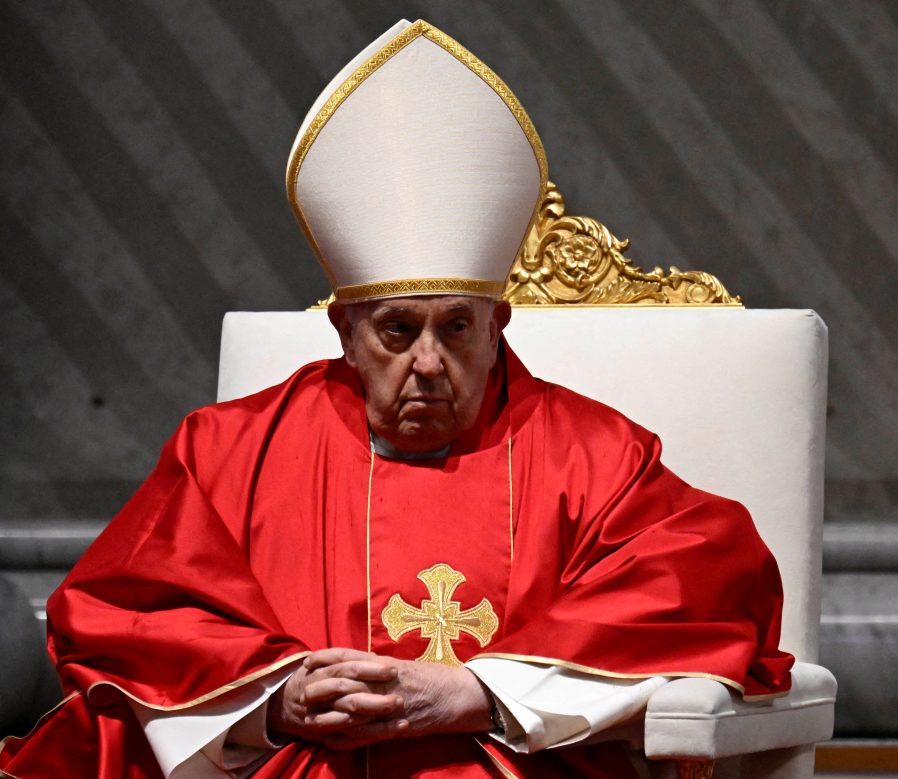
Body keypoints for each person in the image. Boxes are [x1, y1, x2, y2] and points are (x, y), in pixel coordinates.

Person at [0, 19, 793, 779]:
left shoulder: (594, 455)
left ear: (498, 326)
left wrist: (476, 690)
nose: (428, 362)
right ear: (345, 332)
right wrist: (276, 697)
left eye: (457, 328)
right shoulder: (232, 451)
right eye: (396, 330)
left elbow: (715, 573)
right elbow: (126, 611)